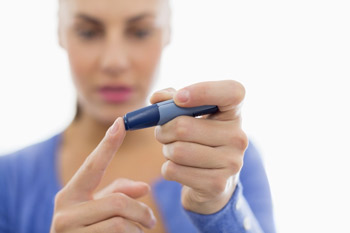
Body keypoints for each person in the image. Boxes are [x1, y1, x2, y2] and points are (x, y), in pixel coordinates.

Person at [0, 0, 276, 232]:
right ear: (60, 33)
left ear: (167, 32)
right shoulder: (8, 180)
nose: (114, 62)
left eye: (140, 32)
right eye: (87, 32)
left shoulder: (230, 162)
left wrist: (221, 207)